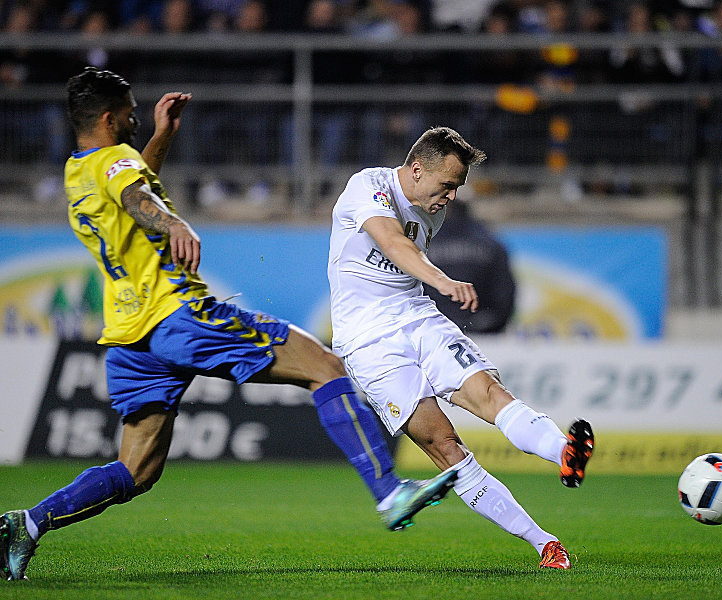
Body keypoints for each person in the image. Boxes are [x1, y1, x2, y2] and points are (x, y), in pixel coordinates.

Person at [0, 67, 456, 582]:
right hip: (179, 314)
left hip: (131, 336)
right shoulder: (119, 165)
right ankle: (390, 492)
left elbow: (125, 185)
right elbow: (134, 196)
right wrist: (172, 221)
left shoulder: (78, 171)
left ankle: (27, 524)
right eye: (129, 111)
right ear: (109, 117)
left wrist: (162, 138)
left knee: (135, 471)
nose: (134, 118)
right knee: (325, 366)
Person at [326, 126, 594, 570]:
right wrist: (442, 279)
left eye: (457, 187)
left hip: (418, 319)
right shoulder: (367, 186)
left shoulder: (434, 210)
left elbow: (405, 253)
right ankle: (544, 543)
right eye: (447, 184)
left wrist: (432, 285)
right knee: (446, 446)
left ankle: (564, 452)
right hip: (368, 342)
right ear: (416, 169)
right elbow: (391, 242)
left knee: (490, 393)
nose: (451, 196)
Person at [422, 198, 515, 334]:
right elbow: (504, 296)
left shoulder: (423, 240)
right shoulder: (489, 239)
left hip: (429, 331)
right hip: (481, 333)